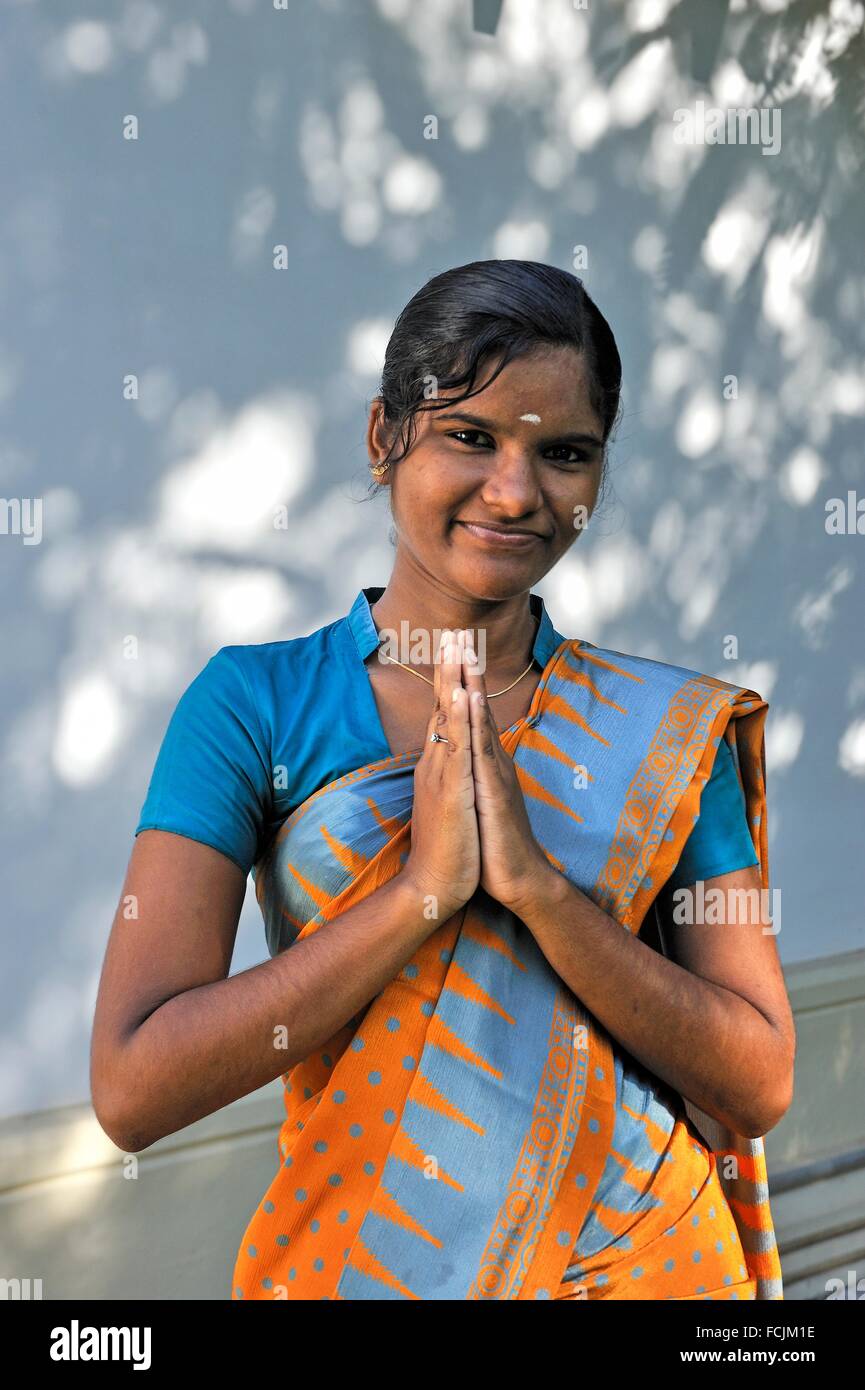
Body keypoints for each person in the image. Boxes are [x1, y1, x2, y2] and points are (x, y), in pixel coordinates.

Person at [90, 259, 795, 1301]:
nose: (515, 492)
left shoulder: (664, 730)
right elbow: (133, 1087)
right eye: (471, 436)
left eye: (563, 453)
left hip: (660, 1273)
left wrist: (542, 894)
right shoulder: (255, 705)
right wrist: (422, 892)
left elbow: (760, 1077)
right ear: (385, 439)